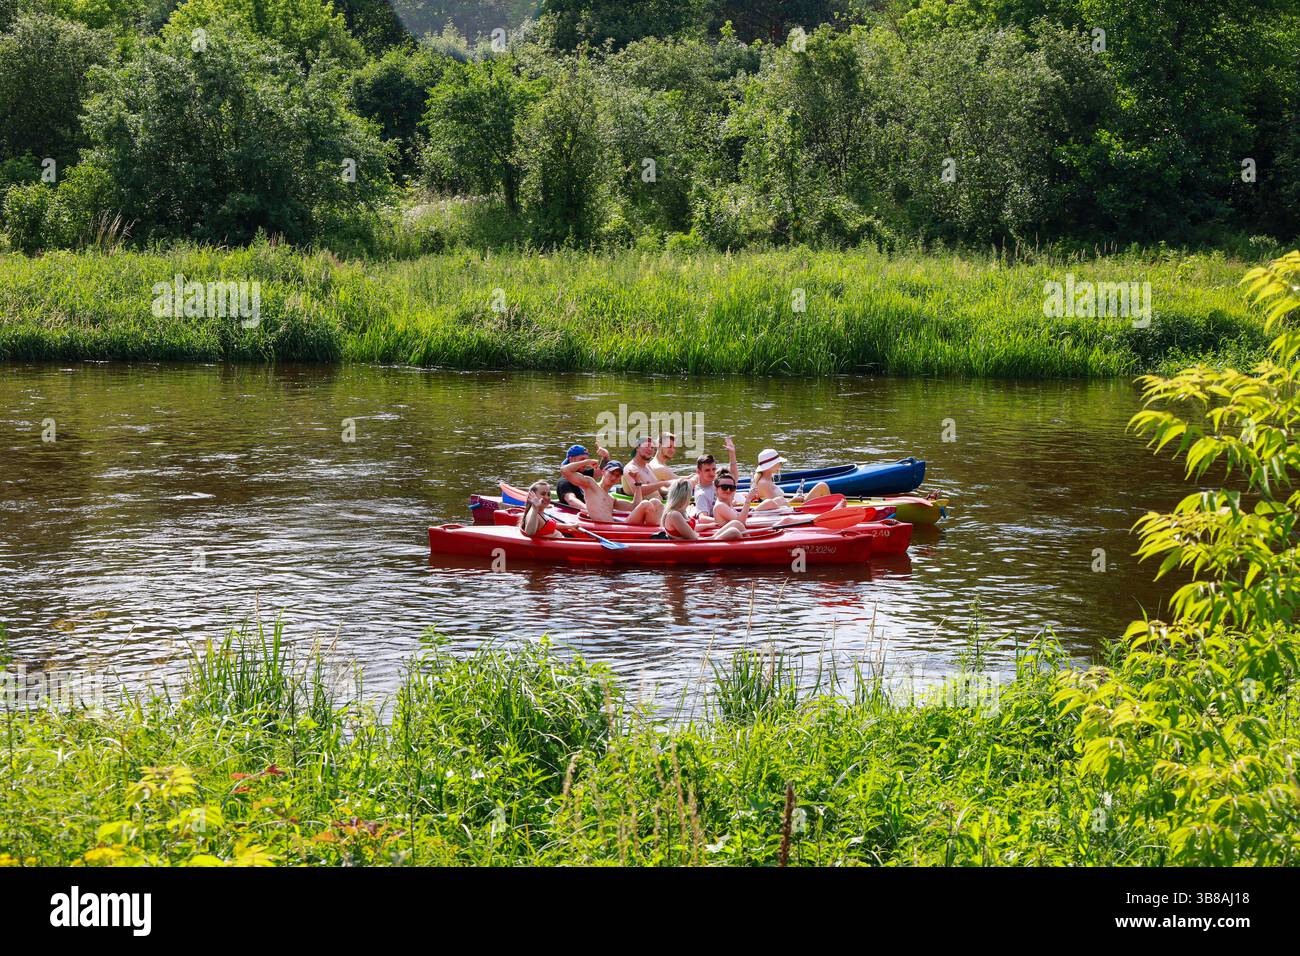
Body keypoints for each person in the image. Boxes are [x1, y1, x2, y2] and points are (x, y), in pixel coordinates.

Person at [562, 457, 662, 525]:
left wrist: (638, 483)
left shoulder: (611, 499)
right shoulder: (590, 484)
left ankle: (658, 534)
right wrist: (586, 462)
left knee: (655, 502)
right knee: (645, 504)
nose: (614, 477)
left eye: (617, 475)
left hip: (615, 529)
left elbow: (635, 506)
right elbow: (565, 470)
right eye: (612, 473)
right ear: (603, 471)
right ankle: (656, 536)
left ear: (619, 479)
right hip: (606, 531)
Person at [661, 477, 750, 541]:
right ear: (684, 496)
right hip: (697, 545)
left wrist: (709, 526)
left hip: (699, 541)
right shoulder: (674, 515)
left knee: (736, 523)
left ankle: (750, 542)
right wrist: (713, 536)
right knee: (734, 532)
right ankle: (751, 548)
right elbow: (693, 537)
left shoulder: (681, 511)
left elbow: (690, 528)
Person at [749, 447, 831, 510]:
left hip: (790, 507)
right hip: (791, 510)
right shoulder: (764, 483)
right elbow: (775, 505)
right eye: (778, 463)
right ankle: (831, 511)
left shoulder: (767, 480)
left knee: (822, 487)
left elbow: (779, 501)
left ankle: (831, 510)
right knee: (822, 486)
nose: (780, 465)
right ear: (770, 465)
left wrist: (795, 498)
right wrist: (794, 500)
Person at [693, 436, 741, 519]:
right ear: (698, 471)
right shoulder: (701, 494)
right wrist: (720, 521)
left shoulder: (716, 482)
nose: (712, 473)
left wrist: (732, 453)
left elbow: (733, 477)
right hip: (723, 523)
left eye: (713, 469)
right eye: (707, 470)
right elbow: (703, 518)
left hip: (731, 516)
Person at [555, 443, 608, 509]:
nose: (586, 463)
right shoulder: (564, 482)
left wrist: (605, 456)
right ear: (571, 459)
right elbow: (571, 500)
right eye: (582, 459)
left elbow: (601, 471)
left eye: (586, 459)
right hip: (575, 515)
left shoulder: (582, 474)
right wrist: (590, 511)